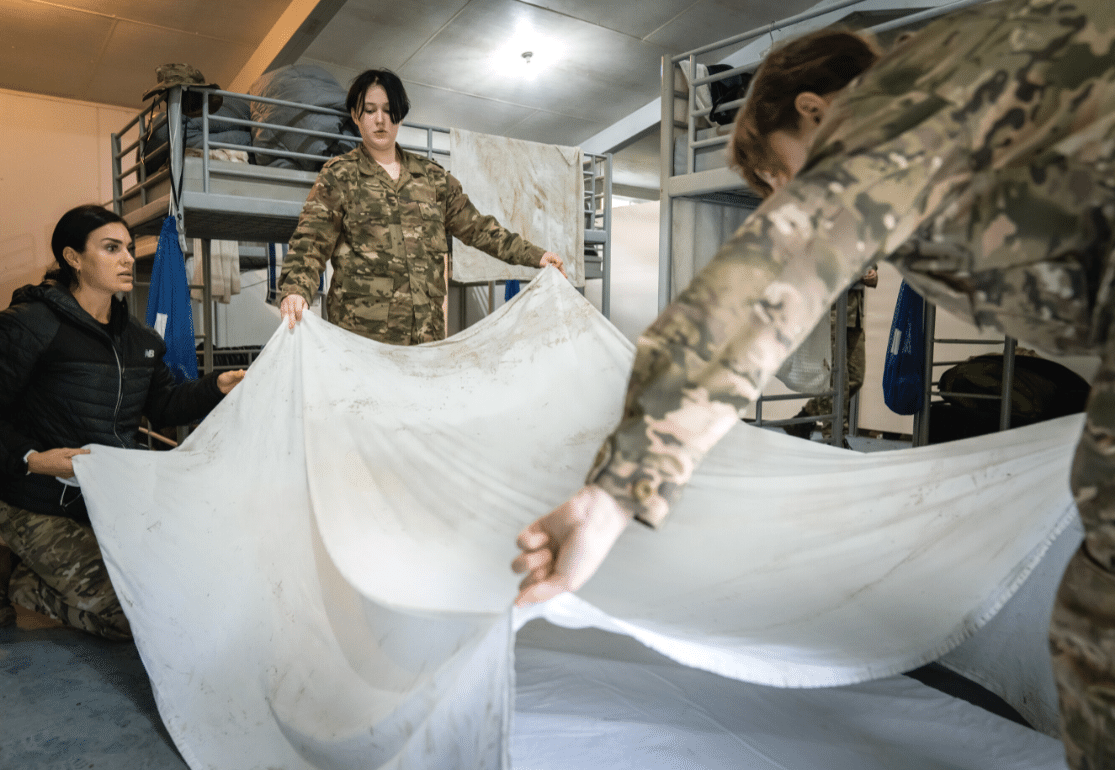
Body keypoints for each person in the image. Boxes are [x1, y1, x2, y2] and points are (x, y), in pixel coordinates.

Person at [511, 2, 1115, 766]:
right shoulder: (977, 72)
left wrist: (612, 496)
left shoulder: (894, 105)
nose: (781, 199)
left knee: (1099, 623)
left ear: (815, 110)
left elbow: (768, 277)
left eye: (778, 177)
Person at [0, 205, 246, 641]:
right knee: (136, 618)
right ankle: (8, 576)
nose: (127, 258)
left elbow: (166, 406)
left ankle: (30, 571)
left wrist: (218, 387)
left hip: (112, 498)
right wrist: (31, 459)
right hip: (39, 503)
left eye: (128, 249)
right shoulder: (30, 327)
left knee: (183, 589)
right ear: (73, 258)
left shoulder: (139, 340)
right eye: (111, 248)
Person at [276, 68, 566, 344]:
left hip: (426, 339)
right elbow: (309, 243)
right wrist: (294, 291)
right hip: (363, 339)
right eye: (370, 110)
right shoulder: (339, 176)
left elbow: (479, 228)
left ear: (400, 116)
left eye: (390, 110)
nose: (380, 119)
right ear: (355, 115)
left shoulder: (433, 178)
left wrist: (536, 256)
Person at [783, 265, 876, 444]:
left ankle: (804, 418)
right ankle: (834, 440)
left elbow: (870, 260)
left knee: (856, 377)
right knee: (835, 382)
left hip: (854, 314)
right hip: (832, 314)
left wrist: (873, 271)